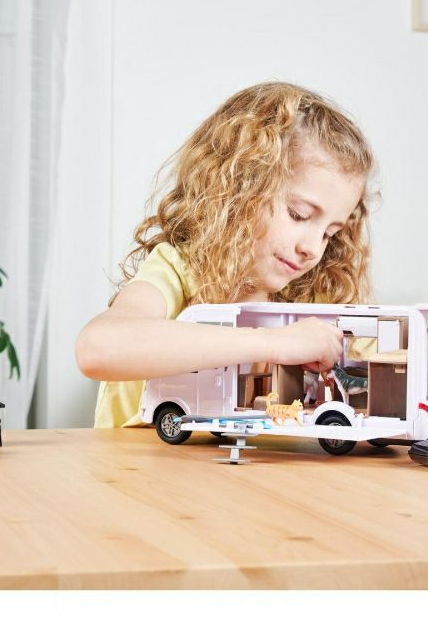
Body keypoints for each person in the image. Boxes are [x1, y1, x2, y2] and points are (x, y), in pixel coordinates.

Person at [76, 80, 376, 427]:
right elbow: (97, 348)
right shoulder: (179, 271)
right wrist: (274, 343)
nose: (312, 248)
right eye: (298, 215)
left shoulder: (314, 298)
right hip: (138, 461)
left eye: (329, 233)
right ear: (241, 188)